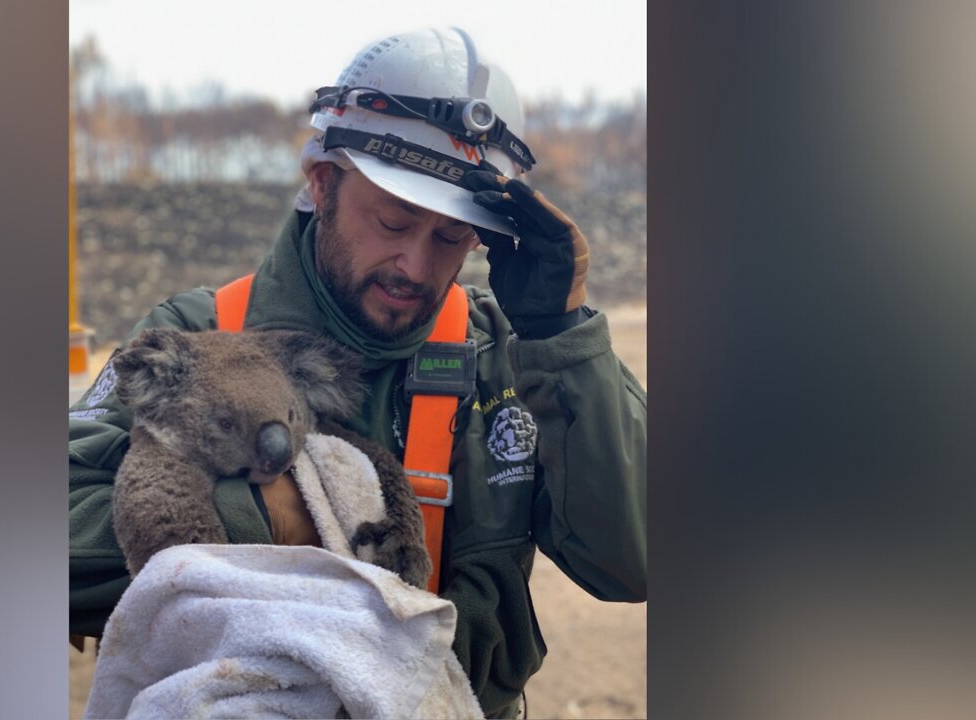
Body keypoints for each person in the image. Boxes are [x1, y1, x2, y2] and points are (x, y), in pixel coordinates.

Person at [69, 27, 646, 718]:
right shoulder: (196, 336)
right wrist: (264, 521)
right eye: (395, 221)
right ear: (322, 182)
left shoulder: (513, 358)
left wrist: (562, 337)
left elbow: (632, 560)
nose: (417, 266)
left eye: (451, 237)